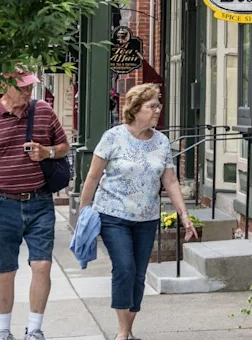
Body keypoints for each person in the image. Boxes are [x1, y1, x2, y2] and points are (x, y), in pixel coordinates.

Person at [79, 83, 198, 340]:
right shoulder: (113, 137)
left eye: (159, 105)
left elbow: (171, 182)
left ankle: (128, 329)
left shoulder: (162, 141)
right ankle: (123, 332)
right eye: (152, 105)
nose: (158, 110)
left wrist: (184, 216)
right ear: (135, 109)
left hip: (147, 217)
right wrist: (83, 211)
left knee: (139, 272)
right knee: (124, 267)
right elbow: (92, 176)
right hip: (113, 214)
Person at [0, 69, 71, 340]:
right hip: (0, 204)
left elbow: (64, 146)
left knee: (42, 265)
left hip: (39, 201)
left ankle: (34, 330)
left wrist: (48, 152)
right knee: (5, 270)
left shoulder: (43, 111)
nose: (27, 91)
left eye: (30, 86)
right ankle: (3, 332)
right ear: (3, 85)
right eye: (21, 86)